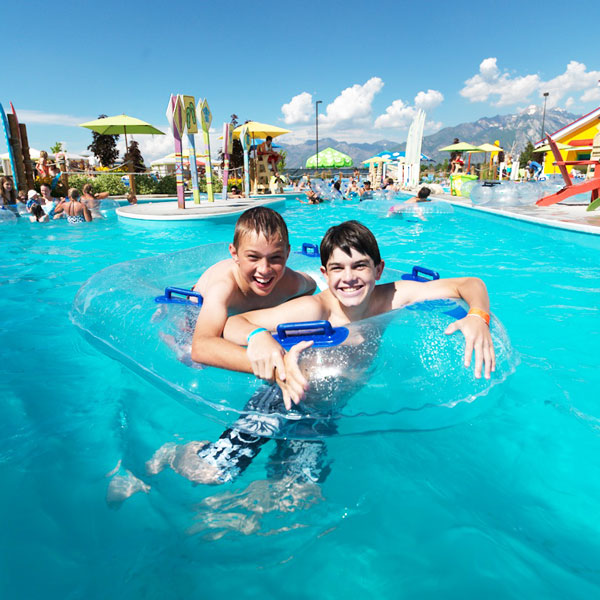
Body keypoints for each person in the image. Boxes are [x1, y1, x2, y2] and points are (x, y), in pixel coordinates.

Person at [151, 220, 496, 485]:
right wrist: (259, 338)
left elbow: (468, 284)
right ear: (324, 274)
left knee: (299, 496)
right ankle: (174, 453)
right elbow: (235, 324)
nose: (349, 278)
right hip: (281, 398)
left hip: (326, 410)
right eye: (337, 269)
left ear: (378, 269)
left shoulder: (392, 297)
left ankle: (254, 508)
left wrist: (477, 316)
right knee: (208, 474)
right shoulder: (314, 309)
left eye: (360, 266)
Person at [188, 207, 316, 370]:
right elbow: (200, 347)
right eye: (253, 257)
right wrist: (278, 367)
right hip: (195, 301)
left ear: (287, 253)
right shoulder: (224, 287)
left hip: (239, 314)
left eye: (275, 258)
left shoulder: (289, 282)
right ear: (234, 254)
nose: (264, 269)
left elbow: (311, 285)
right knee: (189, 358)